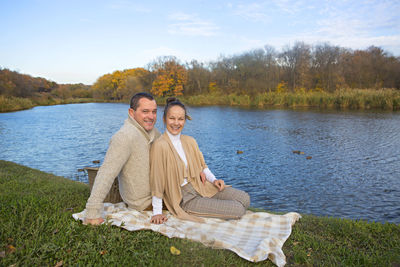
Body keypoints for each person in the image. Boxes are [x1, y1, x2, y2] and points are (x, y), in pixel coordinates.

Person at [150, 98, 250, 224]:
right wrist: (157, 212)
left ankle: (210, 203)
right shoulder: (160, 145)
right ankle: (205, 206)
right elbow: (157, 180)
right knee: (238, 209)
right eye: (172, 118)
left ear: (185, 120)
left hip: (201, 186)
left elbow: (202, 166)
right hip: (185, 198)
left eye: (180, 119)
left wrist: (214, 180)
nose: (176, 123)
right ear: (164, 119)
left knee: (244, 198)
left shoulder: (190, 141)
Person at [84, 92, 160, 225]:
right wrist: (92, 212)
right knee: (200, 203)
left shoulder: (153, 132)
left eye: (154, 112)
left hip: (161, 194)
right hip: (146, 204)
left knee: (203, 187)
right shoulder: (125, 137)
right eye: (145, 111)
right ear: (132, 112)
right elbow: (106, 173)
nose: (151, 116)